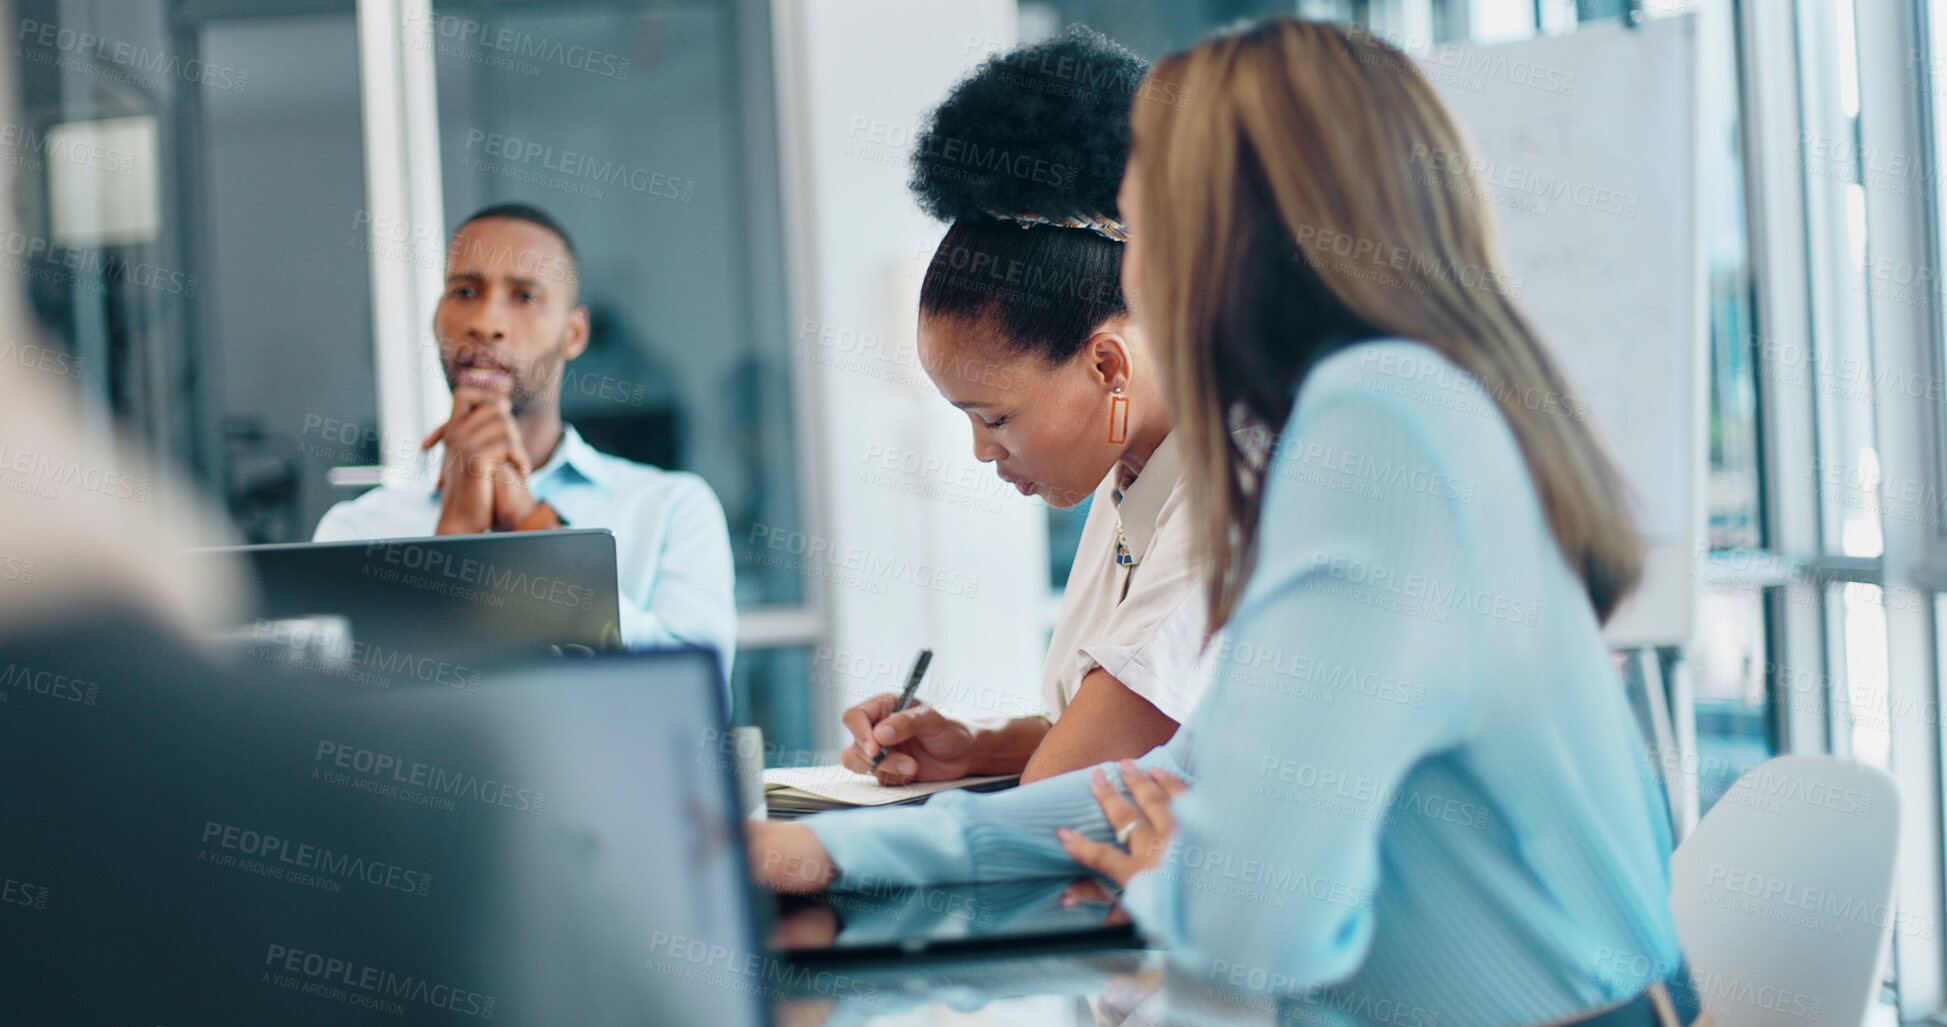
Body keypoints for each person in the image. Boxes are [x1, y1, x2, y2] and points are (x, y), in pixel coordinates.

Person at [753, 18, 1690, 1024]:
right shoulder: (1384, 411)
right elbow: (1165, 781)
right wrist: (827, 851)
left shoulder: (1373, 428)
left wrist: (1179, 869)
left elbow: (1255, 924)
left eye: (1136, 218)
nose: (1131, 264)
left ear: (1221, 233)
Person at [839, 28, 1213, 788]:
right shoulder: (1131, 471)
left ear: (1106, 364)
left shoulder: (1235, 489)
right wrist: (975, 745)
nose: (982, 450)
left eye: (996, 417)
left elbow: (1063, 793)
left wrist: (816, 850)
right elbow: (1127, 733)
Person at [314, 204, 737, 689]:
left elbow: (693, 698)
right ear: (437, 319)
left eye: (524, 296)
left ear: (574, 333)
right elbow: (341, 720)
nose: (486, 322)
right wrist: (455, 536)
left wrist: (533, 528)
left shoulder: (670, 510)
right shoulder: (356, 530)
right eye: (465, 292)